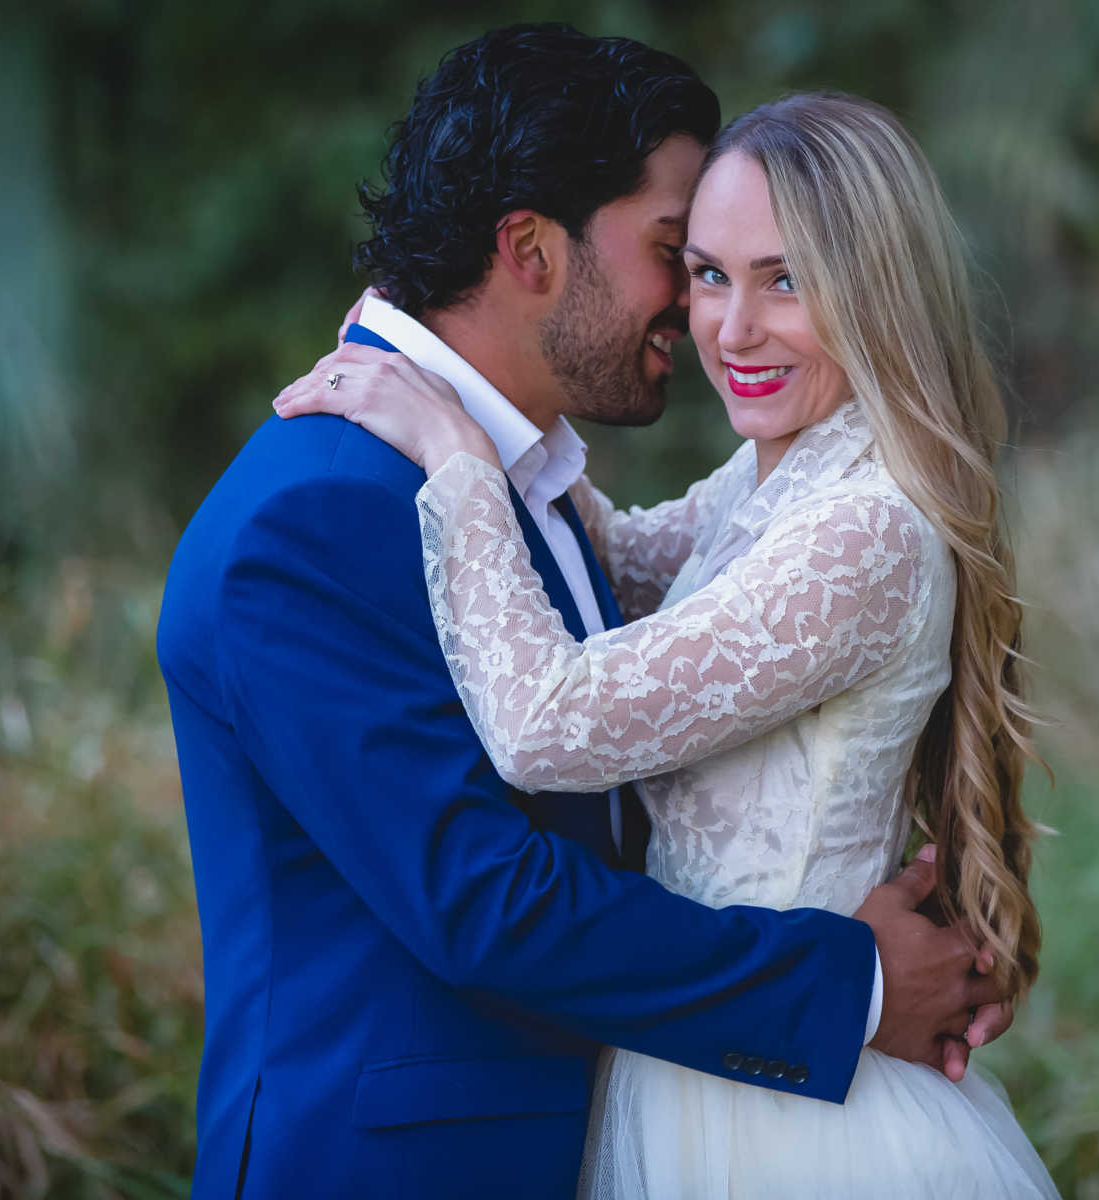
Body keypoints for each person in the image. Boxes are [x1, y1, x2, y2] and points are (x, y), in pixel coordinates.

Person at [157, 28, 1012, 1200]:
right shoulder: (318, 513)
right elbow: (484, 899)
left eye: (773, 274)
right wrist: (848, 979)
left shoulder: (522, 481)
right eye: (686, 259)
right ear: (531, 250)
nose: (705, 313)